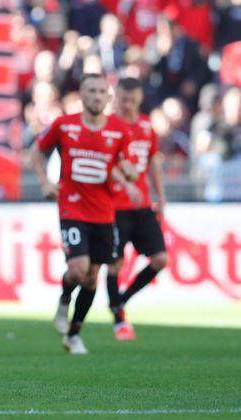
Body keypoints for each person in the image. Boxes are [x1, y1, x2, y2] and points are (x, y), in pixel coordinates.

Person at [30, 73, 137, 355]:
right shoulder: (64, 125)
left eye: (102, 91)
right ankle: (64, 300)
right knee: (78, 268)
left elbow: (124, 164)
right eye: (91, 91)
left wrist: (128, 173)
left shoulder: (119, 130)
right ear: (82, 95)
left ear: (108, 97)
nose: (97, 96)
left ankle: (74, 334)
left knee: (92, 277)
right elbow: (36, 153)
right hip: (72, 206)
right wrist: (44, 182)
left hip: (104, 211)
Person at [106, 77, 168, 340]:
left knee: (160, 259)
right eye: (122, 99)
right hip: (114, 207)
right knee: (115, 264)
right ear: (115, 97)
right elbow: (105, 163)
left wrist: (160, 197)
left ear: (140, 99)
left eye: (132, 99)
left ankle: (120, 300)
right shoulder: (107, 126)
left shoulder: (145, 125)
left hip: (142, 206)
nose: (127, 104)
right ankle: (119, 319)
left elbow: (153, 162)